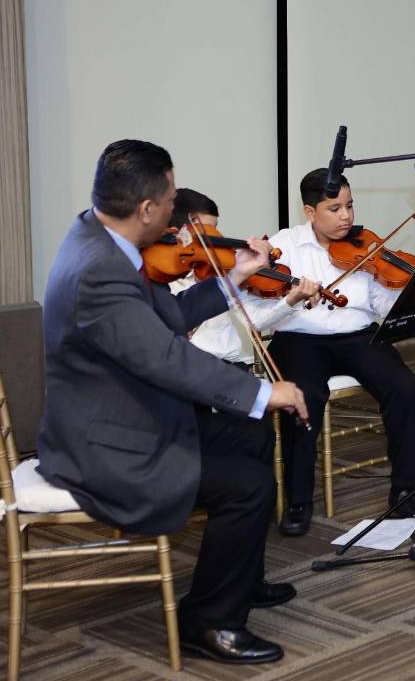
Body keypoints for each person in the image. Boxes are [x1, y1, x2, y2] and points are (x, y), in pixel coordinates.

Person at [37, 140, 311, 664]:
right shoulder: (101, 268)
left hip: (127, 415)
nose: (175, 214)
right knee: (249, 485)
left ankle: (238, 580)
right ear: (145, 209)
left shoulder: (100, 238)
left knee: (251, 435)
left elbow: (166, 317)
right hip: (106, 445)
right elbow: (165, 359)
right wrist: (260, 390)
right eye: (168, 201)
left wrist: (234, 277)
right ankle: (208, 622)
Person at [265, 169, 415, 537]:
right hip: (299, 339)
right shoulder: (283, 246)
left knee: (403, 387)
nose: (346, 217)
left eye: (349, 206)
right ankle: (298, 499)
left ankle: (404, 487)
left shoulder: (366, 246)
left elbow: (382, 307)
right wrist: (294, 298)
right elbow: (264, 313)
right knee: (303, 399)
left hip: (358, 336)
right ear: (309, 211)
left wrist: (403, 289)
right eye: (334, 209)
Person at [168, 188, 323, 364]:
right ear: (180, 233)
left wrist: (291, 300)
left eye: (215, 231)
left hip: (228, 366)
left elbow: (255, 321)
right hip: (185, 371)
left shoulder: (224, 272)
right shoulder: (159, 278)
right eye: (206, 234)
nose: (216, 240)